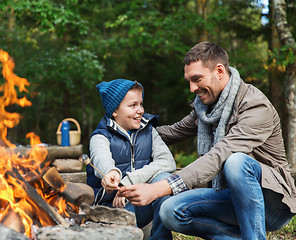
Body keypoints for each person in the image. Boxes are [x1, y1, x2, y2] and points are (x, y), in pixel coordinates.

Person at [118, 42, 296, 240]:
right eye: (189, 81)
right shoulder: (205, 109)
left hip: (272, 205)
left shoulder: (255, 106)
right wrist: (123, 131)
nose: (193, 88)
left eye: (197, 79)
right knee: (170, 210)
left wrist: (159, 188)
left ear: (219, 71)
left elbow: (220, 155)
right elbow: (172, 132)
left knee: (236, 162)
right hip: (230, 198)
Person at [87, 79, 176, 240]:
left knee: (164, 180)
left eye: (141, 104)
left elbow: (167, 162)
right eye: (132, 105)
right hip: (112, 208)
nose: (140, 110)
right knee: (124, 200)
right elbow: (101, 158)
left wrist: (128, 182)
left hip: (142, 202)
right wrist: (111, 173)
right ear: (115, 111)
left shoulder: (148, 131)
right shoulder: (101, 136)